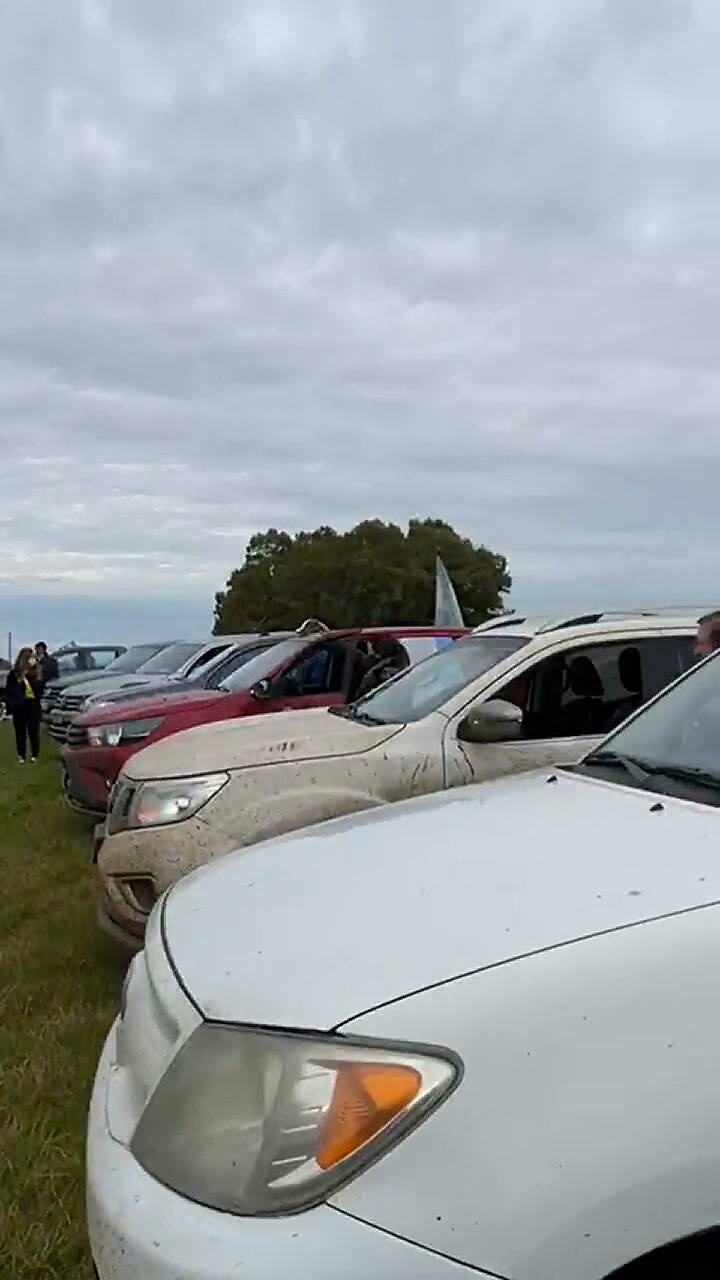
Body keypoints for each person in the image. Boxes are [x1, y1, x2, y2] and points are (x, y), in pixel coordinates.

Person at [5, 647, 43, 763]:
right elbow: (10, 690)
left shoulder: (37, 672)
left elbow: (39, 690)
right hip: (19, 706)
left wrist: (36, 677)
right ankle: (21, 755)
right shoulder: (14, 674)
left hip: (32, 705)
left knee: (33, 731)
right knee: (20, 732)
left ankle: (34, 754)